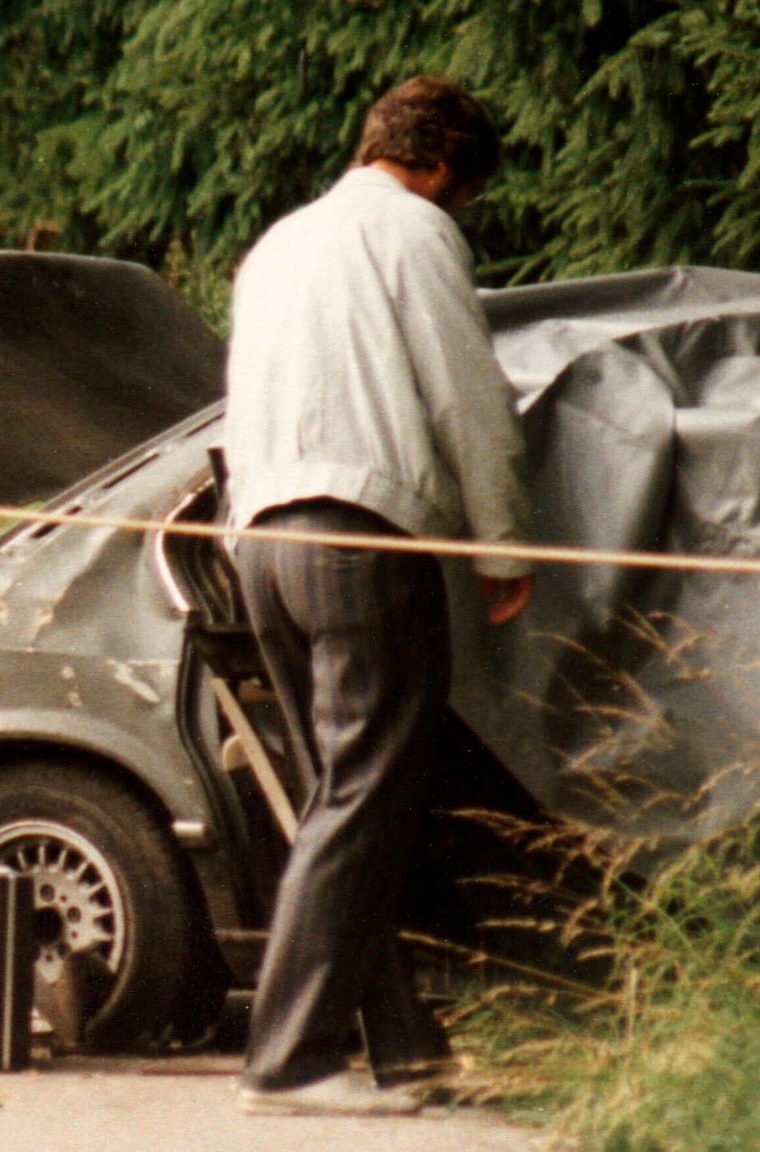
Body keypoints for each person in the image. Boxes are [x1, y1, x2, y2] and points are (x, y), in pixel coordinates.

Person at [222, 76, 535, 1116]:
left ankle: (405, 1049)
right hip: (358, 534)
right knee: (364, 799)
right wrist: (502, 545)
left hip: (261, 536)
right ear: (440, 168)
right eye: (464, 194)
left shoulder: (279, 242)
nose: (461, 214)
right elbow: (464, 393)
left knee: (343, 803)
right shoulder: (411, 234)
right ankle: (290, 1059)